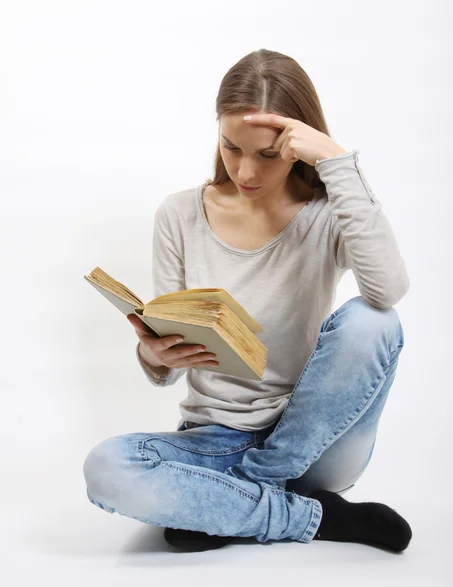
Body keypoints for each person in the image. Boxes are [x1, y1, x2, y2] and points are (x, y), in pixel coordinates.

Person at [83, 49, 413, 553]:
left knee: (375, 321)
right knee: (107, 467)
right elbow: (172, 353)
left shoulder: (326, 214)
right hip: (215, 439)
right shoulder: (179, 214)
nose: (244, 170)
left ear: (301, 145)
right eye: (232, 147)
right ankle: (311, 517)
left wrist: (337, 163)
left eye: (267, 154)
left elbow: (388, 289)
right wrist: (153, 355)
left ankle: (233, 502)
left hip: (314, 441)